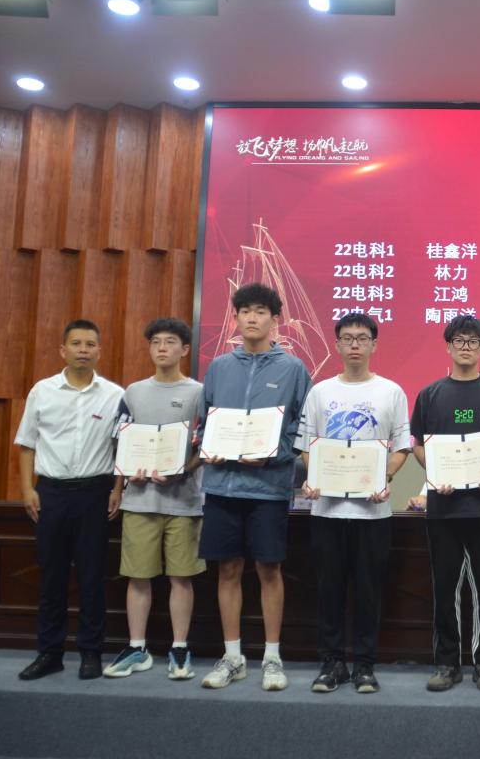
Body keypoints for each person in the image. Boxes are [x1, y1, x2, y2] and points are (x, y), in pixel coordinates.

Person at [197, 282, 311, 691]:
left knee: (269, 569)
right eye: (244, 311)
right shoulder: (219, 367)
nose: (251, 318)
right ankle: (232, 657)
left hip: (268, 488)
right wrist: (207, 446)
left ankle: (272, 658)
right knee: (227, 569)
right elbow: (204, 422)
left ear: (274, 319)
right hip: (223, 488)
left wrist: (273, 454)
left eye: (260, 311)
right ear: (236, 317)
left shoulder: (293, 369)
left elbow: (302, 429)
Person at [299, 312, 410, 694]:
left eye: (362, 338)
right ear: (337, 345)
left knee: (368, 591)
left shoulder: (391, 392)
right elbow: (307, 445)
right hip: (327, 510)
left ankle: (364, 665)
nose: (355, 345)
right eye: (347, 338)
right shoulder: (320, 392)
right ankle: (332, 663)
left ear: (374, 344)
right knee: (329, 589)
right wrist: (314, 477)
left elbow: (401, 446)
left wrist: (384, 477)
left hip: (372, 513)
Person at [410, 315, 480, 693]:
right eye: (459, 340)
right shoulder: (430, 395)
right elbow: (418, 445)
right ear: (448, 346)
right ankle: (446, 663)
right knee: (445, 590)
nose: (466, 347)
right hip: (443, 507)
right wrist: (436, 471)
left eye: (473, 341)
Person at [14, 320, 124, 681]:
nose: (83, 350)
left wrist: (118, 489)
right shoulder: (42, 391)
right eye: (76, 343)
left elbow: (122, 447)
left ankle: (91, 651)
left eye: (90, 344)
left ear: (99, 351)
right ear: (63, 350)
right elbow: (26, 444)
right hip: (52, 494)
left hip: (95, 494)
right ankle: (50, 652)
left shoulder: (114, 395)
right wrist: (27, 489)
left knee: (92, 576)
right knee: (52, 576)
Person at [102, 318, 205, 681]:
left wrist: (182, 471)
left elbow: (206, 445)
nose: (162, 347)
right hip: (139, 499)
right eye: (156, 341)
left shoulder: (199, 393)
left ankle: (180, 647)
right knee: (138, 576)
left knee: (181, 577)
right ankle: (137, 647)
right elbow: (121, 442)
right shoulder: (133, 392)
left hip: (183, 500)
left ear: (185, 349)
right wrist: (118, 488)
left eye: (170, 341)